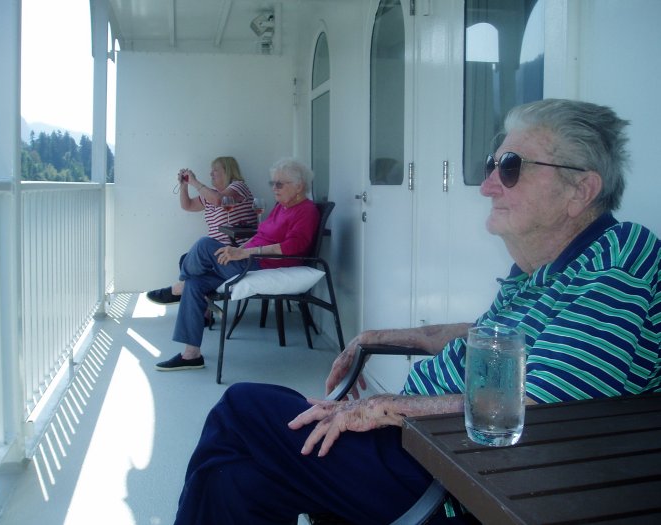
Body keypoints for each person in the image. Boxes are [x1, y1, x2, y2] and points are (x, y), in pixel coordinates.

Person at [172, 99, 661, 524]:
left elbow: (545, 398)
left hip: (453, 473)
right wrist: (372, 337)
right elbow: (490, 336)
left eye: (509, 167)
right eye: (492, 166)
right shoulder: (541, 270)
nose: (488, 185)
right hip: (425, 445)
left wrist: (380, 409)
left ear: (581, 190)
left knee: (243, 407)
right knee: (236, 482)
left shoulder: (622, 257)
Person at [156, 157, 320, 372]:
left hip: (265, 265)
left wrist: (243, 252)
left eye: (280, 184)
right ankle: (191, 355)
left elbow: (291, 247)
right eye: (273, 183)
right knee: (196, 283)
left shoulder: (306, 211)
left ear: (299, 186)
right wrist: (237, 252)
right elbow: (260, 235)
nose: (274, 188)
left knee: (205, 245)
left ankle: (178, 287)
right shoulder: (282, 207)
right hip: (250, 260)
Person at [147, 156, 258, 305]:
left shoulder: (238, 187)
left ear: (228, 171)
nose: (211, 174)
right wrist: (184, 185)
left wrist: (194, 182)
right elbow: (187, 205)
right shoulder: (209, 195)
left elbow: (220, 200)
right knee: (186, 259)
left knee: (201, 247)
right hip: (215, 255)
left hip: (234, 254)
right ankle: (203, 311)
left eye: (215, 170)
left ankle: (179, 289)